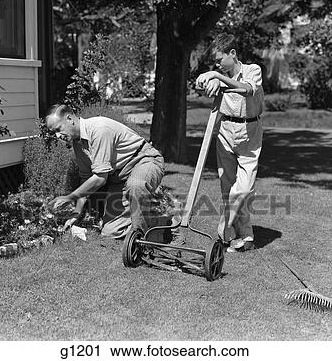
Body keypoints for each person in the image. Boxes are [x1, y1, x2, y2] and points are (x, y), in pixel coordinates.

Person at [46, 104, 181, 241]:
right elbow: (86, 180)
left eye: (58, 129)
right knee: (111, 232)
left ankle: (149, 240)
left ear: (69, 118)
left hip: (144, 161)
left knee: (136, 185)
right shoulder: (78, 144)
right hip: (121, 177)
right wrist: (76, 213)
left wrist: (69, 197)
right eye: (54, 132)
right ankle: (160, 221)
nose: (57, 136)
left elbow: (100, 179)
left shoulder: (99, 129)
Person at [196, 33, 264, 253]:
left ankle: (223, 231)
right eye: (215, 63)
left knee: (243, 188)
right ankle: (244, 236)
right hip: (225, 130)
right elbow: (202, 86)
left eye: (219, 60)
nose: (217, 64)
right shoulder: (219, 76)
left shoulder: (253, 69)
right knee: (227, 187)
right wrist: (206, 80)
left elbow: (247, 89)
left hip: (249, 131)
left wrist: (217, 75)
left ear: (232, 54)